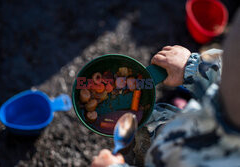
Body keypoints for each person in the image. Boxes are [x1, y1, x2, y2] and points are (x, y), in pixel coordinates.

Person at [91, 10, 240, 167]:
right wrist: (193, 69)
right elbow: (230, 70)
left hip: (167, 157)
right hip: (179, 127)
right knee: (139, 145)